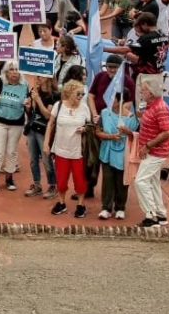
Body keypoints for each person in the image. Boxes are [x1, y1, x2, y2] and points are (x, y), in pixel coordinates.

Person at [44, 79, 91, 218]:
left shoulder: (85, 108)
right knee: (62, 179)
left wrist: (85, 129)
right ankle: (61, 202)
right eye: (78, 94)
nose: (81, 97)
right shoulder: (58, 106)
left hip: (78, 151)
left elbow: (90, 126)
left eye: (82, 94)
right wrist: (46, 143)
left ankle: (81, 205)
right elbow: (51, 124)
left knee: (80, 180)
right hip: (61, 150)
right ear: (69, 92)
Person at [133, 76, 169, 227]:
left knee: (141, 181)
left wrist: (148, 145)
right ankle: (160, 214)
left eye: (143, 90)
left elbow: (166, 132)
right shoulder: (152, 106)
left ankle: (150, 216)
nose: (141, 92)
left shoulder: (160, 107)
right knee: (153, 182)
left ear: (150, 92)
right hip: (153, 151)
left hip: (156, 152)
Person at [0, 63, 27, 194]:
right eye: (11, 70)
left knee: (12, 151)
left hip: (17, 123)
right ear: (6, 72)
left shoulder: (25, 86)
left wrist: (30, 104)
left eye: (16, 69)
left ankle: (9, 178)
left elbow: (29, 106)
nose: (14, 72)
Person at [96, 93, 137, 220]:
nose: (109, 100)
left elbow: (135, 135)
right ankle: (106, 208)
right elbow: (97, 132)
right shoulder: (104, 113)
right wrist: (111, 137)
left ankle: (120, 207)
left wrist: (127, 132)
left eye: (113, 98)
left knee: (122, 181)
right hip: (107, 151)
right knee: (107, 179)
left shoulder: (131, 117)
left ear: (120, 101)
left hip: (123, 153)